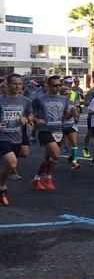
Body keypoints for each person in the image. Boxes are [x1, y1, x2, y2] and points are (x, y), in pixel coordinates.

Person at [31, 75, 74, 191]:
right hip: (45, 130)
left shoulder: (63, 99)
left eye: (59, 85)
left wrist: (72, 113)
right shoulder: (39, 99)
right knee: (56, 154)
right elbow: (30, 114)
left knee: (48, 158)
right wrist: (36, 120)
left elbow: (65, 116)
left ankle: (37, 178)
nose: (58, 87)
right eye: (55, 85)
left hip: (58, 130)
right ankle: (48, 177)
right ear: (48, 86)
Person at [0, 74, 33, 206]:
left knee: (8, 167)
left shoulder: (25, 101)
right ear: (7, 85)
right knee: (12, 163)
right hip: (2, 137)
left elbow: (30, 114)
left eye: (19, 84)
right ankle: (2, 189)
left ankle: (2, 187)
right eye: (14, 83)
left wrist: (27, 119)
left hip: (17, 137)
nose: (17, 86)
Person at [59, 84, 81, 170]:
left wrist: (76, 115)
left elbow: (75, 116)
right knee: (57, 147)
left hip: (70, 125)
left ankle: (74, 161)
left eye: (69, 94)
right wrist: (71, 113)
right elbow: (65, 117)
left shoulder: (71, 103)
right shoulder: (59, 104)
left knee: (74, 143)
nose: (68, 96)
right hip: (60, 126)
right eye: (66, 94)